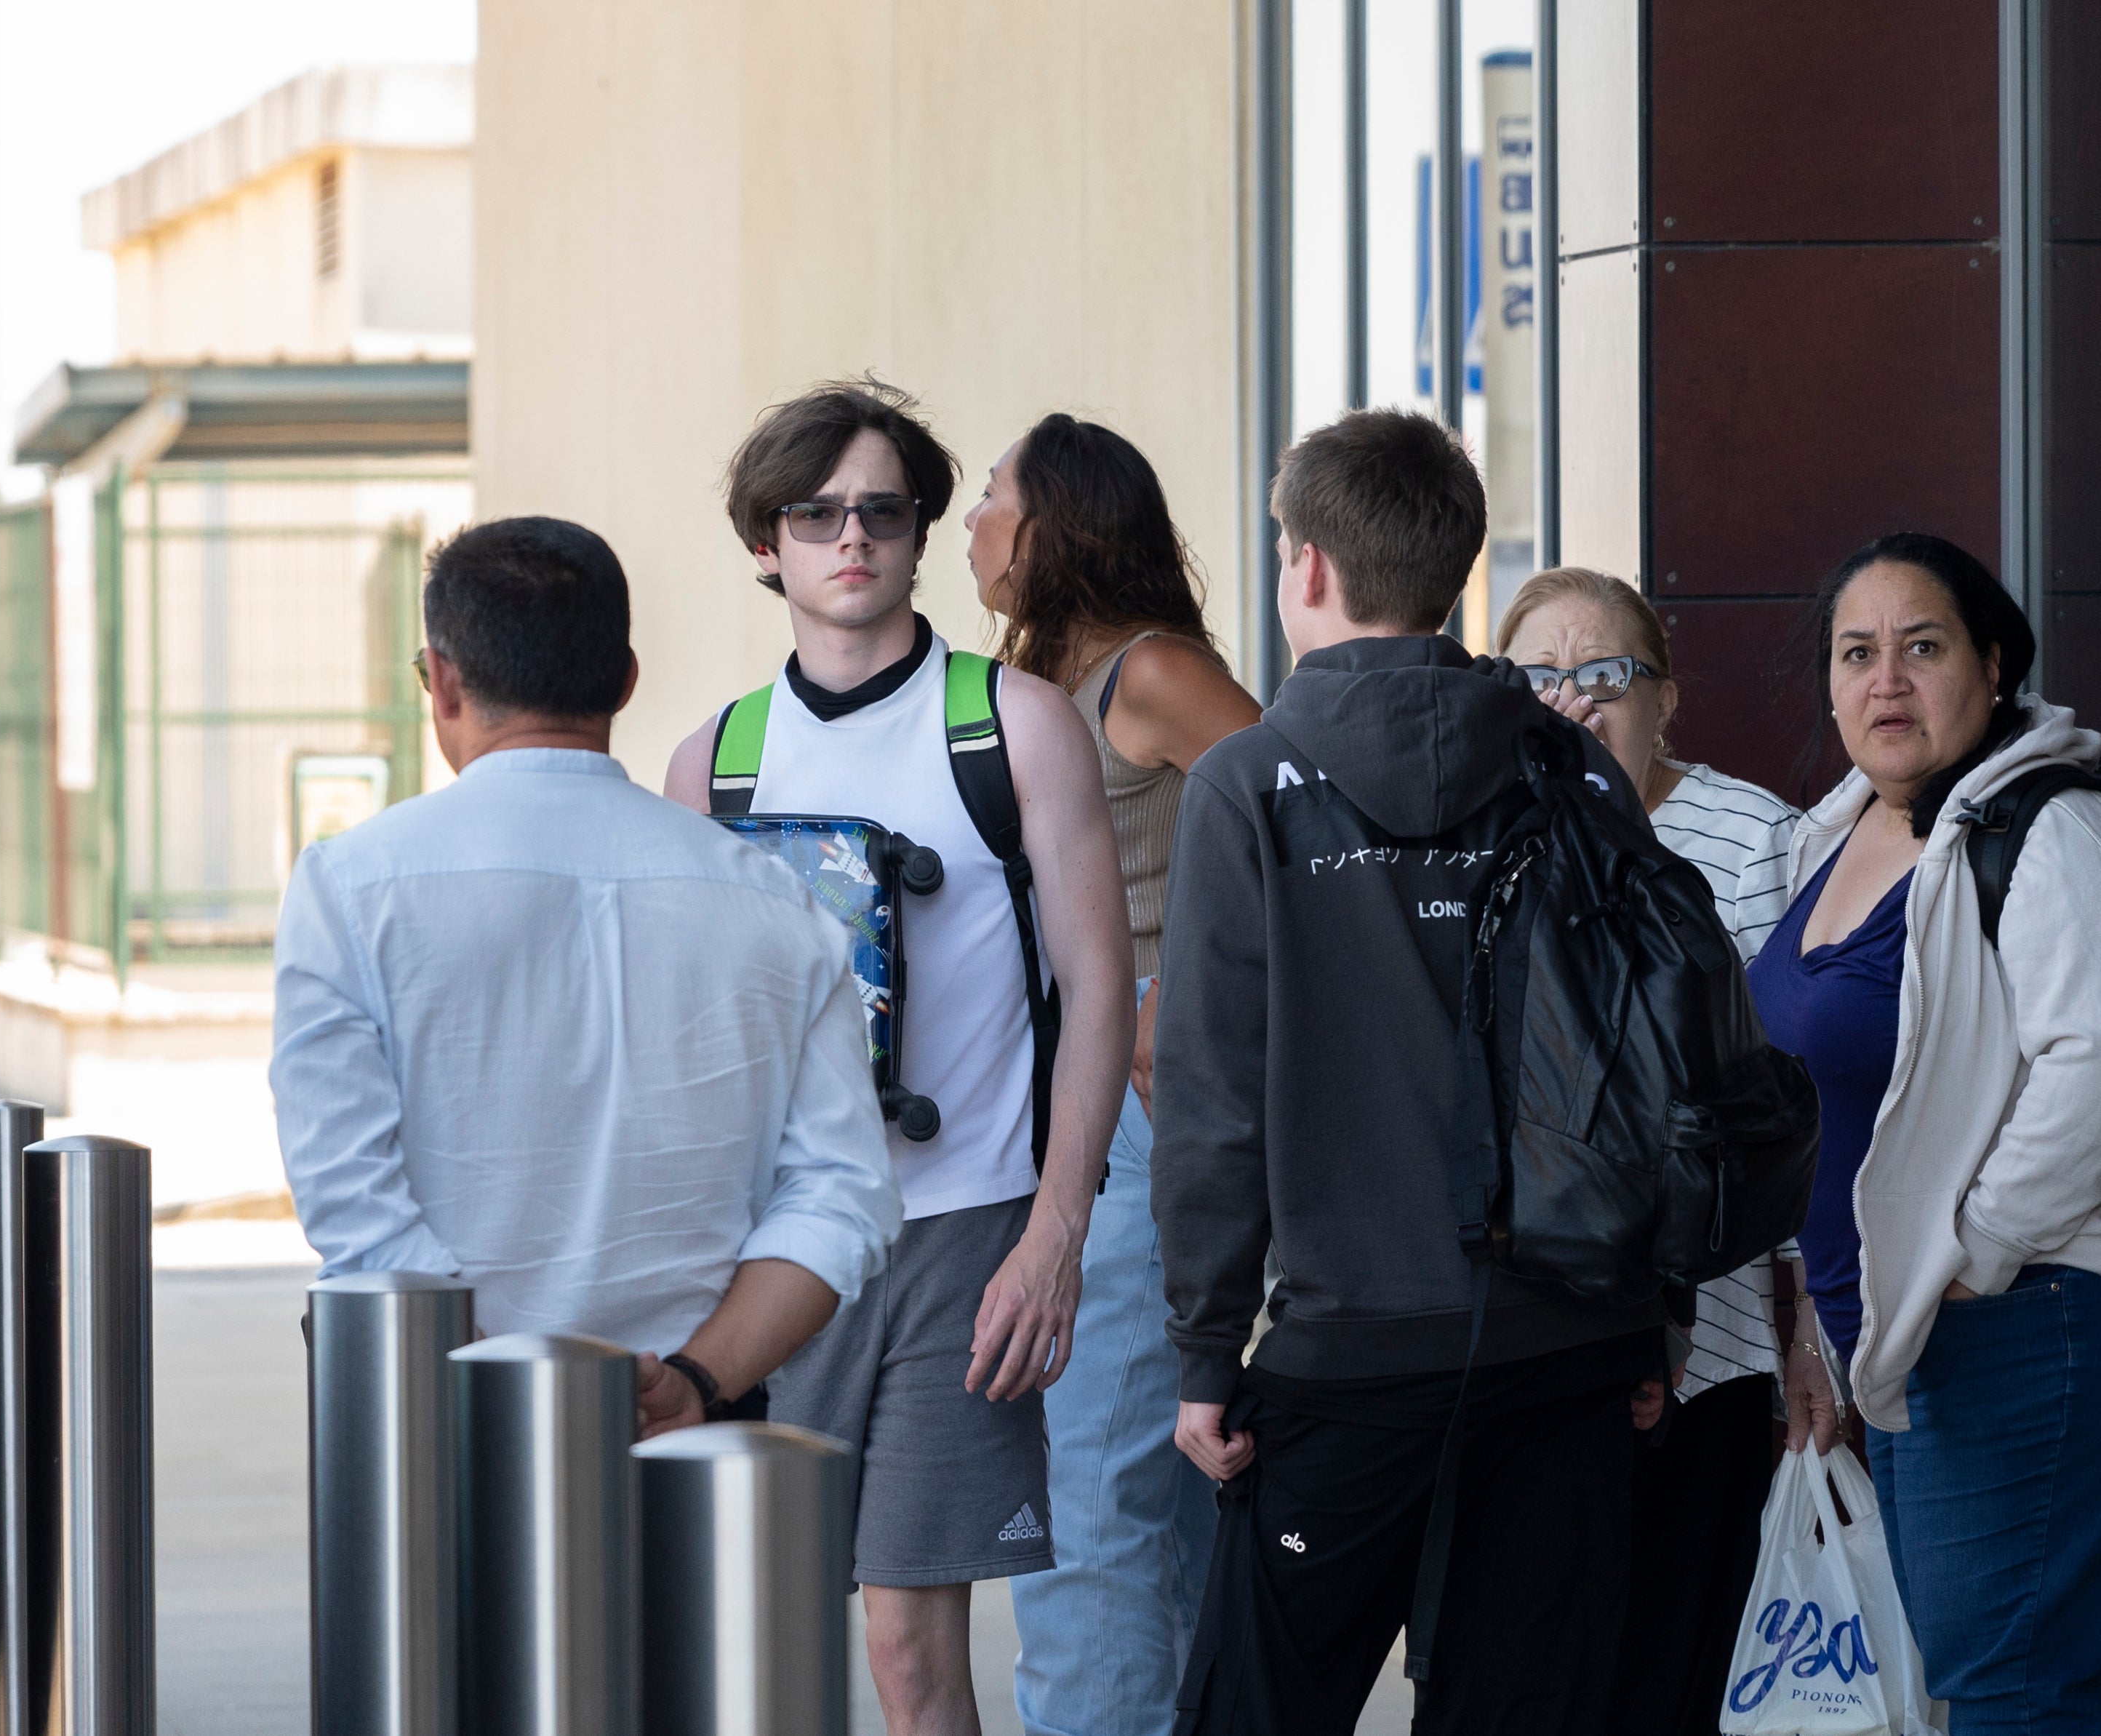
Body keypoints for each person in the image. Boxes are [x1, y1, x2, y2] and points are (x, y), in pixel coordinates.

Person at [1153, 409, 1673, 1735]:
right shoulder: (1571, 769)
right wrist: (1653, 1309)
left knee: (1255, 1710)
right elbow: (1655, 1049)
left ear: (1309, 568)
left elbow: (1215, 1099)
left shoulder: (1248, 784)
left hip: (1354, 1346)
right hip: (1573, 1342)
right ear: (1455, 576)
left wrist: (1207, 1351)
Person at [664, 380, 1133, 1736]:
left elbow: (1099, 985)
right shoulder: (718, 764)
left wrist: (1055, 1232)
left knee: (912, 1645)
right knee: (760, 1634)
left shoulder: (1014, 723)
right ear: (769, 544)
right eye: (816, 514)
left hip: (962, 1229)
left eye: (882, 508)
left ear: (923, 527)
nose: (850, 537)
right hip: (779, 1244)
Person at [1761, 532, 2101, 1734]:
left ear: (1991, 664)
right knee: (2028, 1666)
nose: (1886, 680)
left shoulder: (2053, 831)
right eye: (1856, 652)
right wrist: (1837, 1326)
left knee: (2012, 1680)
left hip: (2057, 1302)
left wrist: (1970, 1249)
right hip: (1949, 1318)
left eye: (1921, 648)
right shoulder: (1840, 836)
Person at [273, 515, 903, 1439]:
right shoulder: (776, 904)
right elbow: (843, 1195)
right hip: (696, 1448)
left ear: (442, 680)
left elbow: (356, 1212)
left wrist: (519, 1384)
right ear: (624, 679)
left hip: (430, 1432)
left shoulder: (349, 889)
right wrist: (693, 1376)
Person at [962, 414, 1260, 1736]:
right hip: (1071, 1098)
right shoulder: (1041, 683)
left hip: (1145, 1108)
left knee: (1090, 1492)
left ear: (1059, 527)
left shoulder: (1149, 673)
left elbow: (1313, 810)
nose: (972, 524)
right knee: (1156, 1494)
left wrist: (1183, 989)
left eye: (990, 498)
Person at [1495, 566, 1798, 1735]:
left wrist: (1811, 1328)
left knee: (1677, 1674)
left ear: (1663, 694)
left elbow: (1795, 1105)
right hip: (1527, 1342)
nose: (1575, 699)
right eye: (1541, 675)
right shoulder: (1481, 836)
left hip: (1715, 1351)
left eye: (1608, 672)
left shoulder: (1754, 838)